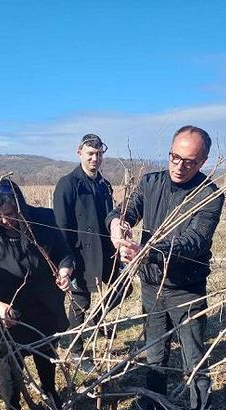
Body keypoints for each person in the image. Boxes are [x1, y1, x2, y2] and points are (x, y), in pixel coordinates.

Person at [106, 125, 225, 410]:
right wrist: (118, 225)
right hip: (150, 286)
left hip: (186, 290)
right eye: (174, 156)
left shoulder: (210, 195)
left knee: (194, 360)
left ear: (202, 161)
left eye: (188, 161)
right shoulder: (150, 183)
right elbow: (124, 211)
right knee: (154, 357)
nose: (178, 165)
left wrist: (147, 246)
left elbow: (194, 241)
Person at [0, 179, 75, 410]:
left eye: (11, 213)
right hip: (5, 305)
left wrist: (65, 272)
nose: (6, 220)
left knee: (45, 349)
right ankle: (13, 409)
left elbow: (65, 254)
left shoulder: (43, 221)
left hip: (43, 301)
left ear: (21, 207)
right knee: (9, 357)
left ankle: (50, 393)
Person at [53, 133, 130, 370]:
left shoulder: (103, 184)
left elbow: (110, 216)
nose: (95, 158)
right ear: (80, 153)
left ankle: (95, 320)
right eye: (90, 154)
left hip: (106, 251)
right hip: (79, 255)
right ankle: (76, 351)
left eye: (98, 154)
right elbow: (60, 226)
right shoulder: (67, 184)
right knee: (80, 302)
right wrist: (65, 261)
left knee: (124, 287)